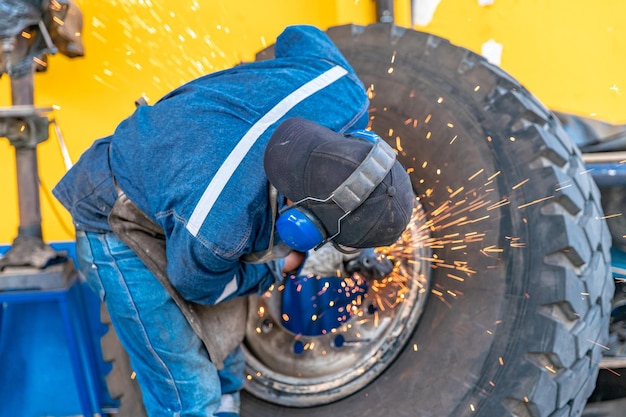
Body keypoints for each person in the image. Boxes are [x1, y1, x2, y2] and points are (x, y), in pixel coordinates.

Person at [52, 25, 414, 417]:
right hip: (116, 219)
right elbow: (196, 288)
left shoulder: (341, 88)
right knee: (190, 393)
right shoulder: (222, 226)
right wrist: (281, 266)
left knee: (226, 367)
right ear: (301, 226)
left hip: (179, 193)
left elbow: (299, 34)